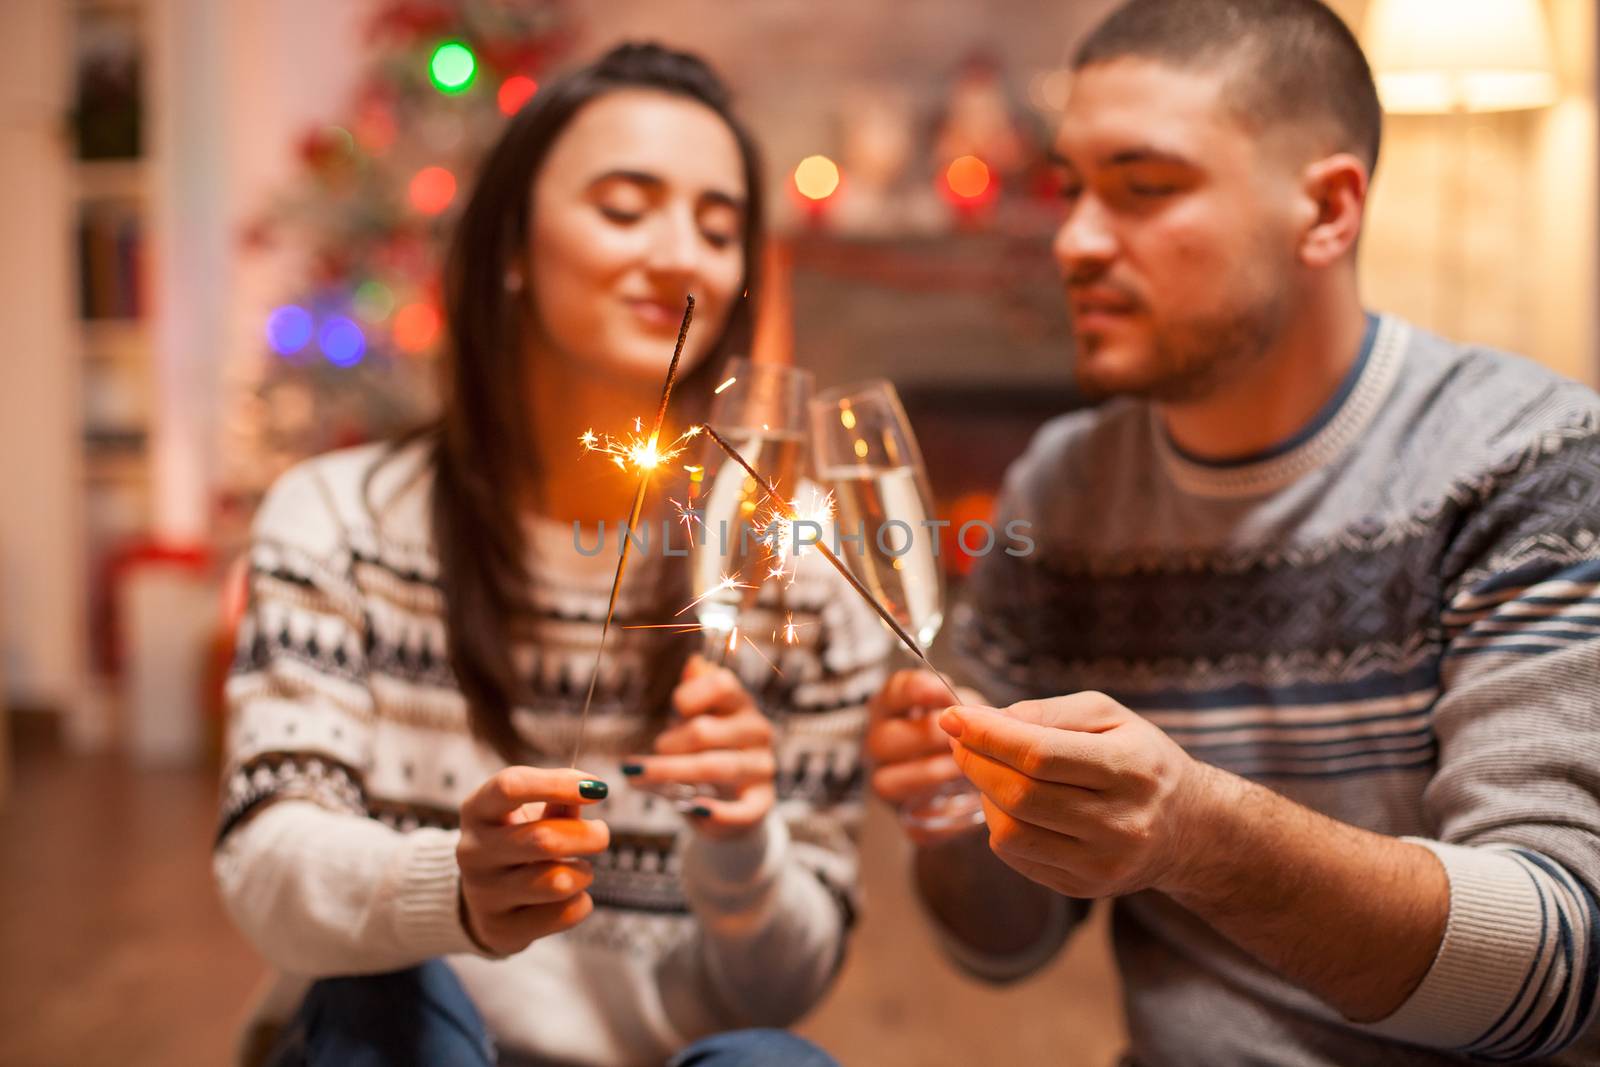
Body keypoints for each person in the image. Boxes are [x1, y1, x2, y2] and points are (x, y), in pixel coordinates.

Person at [868, 1, 1600, 1063]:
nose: (1071, 240)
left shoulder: (1531, 458)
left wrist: (1199, 832)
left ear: (1326, 209)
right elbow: (1004, 941)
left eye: (1145, 187)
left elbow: (1564, 964)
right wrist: (949, 808)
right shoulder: (1063, 486)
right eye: (1072, 189)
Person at [214, 43, 885, 1067]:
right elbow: (270, 861)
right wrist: (456, 883)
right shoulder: (337, 519)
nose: (683, 258)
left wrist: (743, 843)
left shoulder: (794, 572)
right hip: (401, 1041)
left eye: (719, 227)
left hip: (656, 1053)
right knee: (383, 987)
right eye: (625, 207)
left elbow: (785, 986)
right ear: (513, 248)